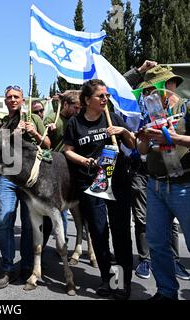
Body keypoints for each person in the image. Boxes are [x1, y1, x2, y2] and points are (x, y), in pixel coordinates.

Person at [63, 79, 135, 300]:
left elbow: (132, 145)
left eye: (107, 96)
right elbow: (68, 150)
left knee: (121, 232)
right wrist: (85, 162)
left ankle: (122, 283)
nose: (105, 99)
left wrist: (123, 131)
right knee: (98, 232)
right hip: (90, 184)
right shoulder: (74, 123)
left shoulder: (112, 117)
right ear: (87, 100)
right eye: (100, 96)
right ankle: (106, 279)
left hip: (117, 181)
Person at [124, 62, 189, 281]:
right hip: (155, 183)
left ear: (170, 84)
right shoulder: (149, 114)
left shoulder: (186, 108)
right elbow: (142, 150)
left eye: (153, 88)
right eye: (147, 90)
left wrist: (174, 137)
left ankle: (176, 268)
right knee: (156, 241)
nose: (149, 94)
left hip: (183, 185)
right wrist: (141, 139)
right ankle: (165, 291)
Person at [0, 85, 45, 289]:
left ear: (23, 100)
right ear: (5, 101)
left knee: (29, 225)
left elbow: (48, 144)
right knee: (5, 221)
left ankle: (26, 266)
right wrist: (14, 133)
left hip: (30, 179)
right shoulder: (1, 123)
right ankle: (6, 268)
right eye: (9, 97)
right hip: (7, 178)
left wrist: (35, 133)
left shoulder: (34, 119)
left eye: (16, 96)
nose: (13, 99)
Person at [40, 91, 82, 247]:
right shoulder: (53, 118)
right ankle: (50, 246)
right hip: (53, 169)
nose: (78, 111)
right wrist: (48, 130)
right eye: (75, 107)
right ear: (65, 105)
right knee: (56, 211)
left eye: (79, 108)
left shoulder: (76, 120)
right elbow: (44, 142)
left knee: (66, 209)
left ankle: (61, 244)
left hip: (70, 169)